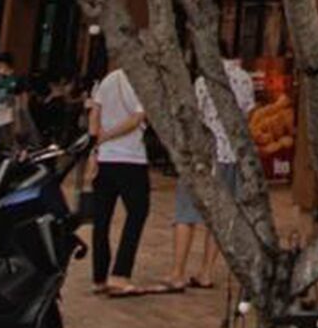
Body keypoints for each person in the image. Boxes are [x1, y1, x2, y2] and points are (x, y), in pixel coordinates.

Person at [167, 57, 257, 290]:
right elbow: (248, 115)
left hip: (202, 156)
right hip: (230, 154)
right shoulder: (245, 79)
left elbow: (193, 116)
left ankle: (177, 272)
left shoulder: (202, 81)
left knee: (185, 214)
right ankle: (206, 271)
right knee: (218, 218)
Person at [85, 60, 159, 298]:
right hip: (131, 159)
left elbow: (94, 115)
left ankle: (98, 277)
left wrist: (96, 145)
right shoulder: (143, 80)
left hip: (105, 159)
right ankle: (120, 274)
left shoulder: (109, 79)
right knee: (137, 213)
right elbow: (136, 120)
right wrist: (107, 137)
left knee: (102, 220)